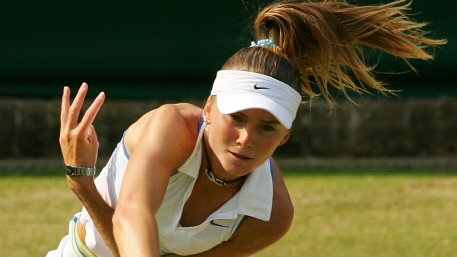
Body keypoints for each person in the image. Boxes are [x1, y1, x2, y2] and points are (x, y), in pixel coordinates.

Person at [47, 0, 445, 256]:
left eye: (267, 127)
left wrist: (82, 185)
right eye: (236, 117)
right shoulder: (170, 126)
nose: (246, 138)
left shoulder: (273, 215)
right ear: (208, 109)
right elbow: (131, 216)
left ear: (286, 135)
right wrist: (81, 181)